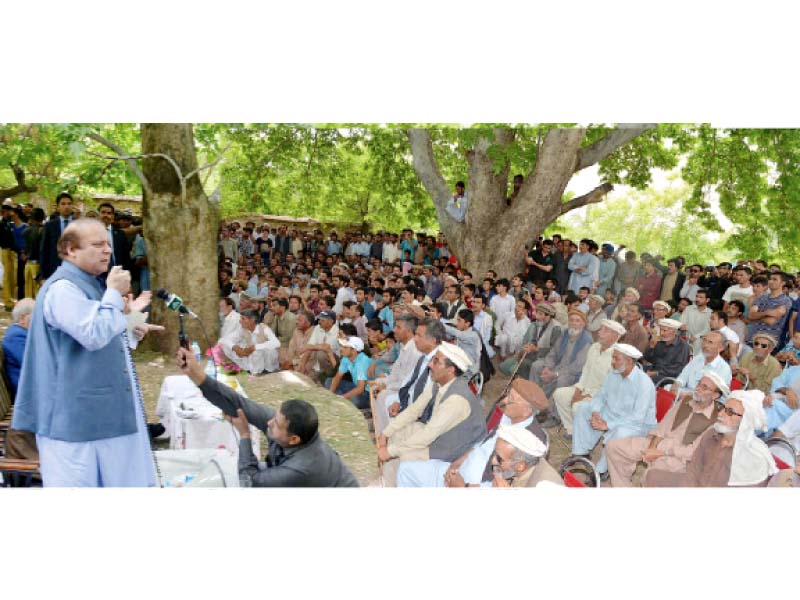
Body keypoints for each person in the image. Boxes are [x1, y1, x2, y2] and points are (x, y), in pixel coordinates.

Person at [11, 219, 160, 487]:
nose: (107, 250)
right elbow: (92, 334)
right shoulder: (62, 289)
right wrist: (114, 293)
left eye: (107, 243)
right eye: (97, 244)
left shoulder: (90, 284)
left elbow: (102, 332)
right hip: (74, 423)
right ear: (70, 250)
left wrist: (131, 324)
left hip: (100, 416)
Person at [175, 347, 359, 487]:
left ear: (294, 439)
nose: (268, 423)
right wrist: (196, 374)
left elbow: (250, 482)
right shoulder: (282, 422)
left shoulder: (302, 467)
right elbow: (239, 404)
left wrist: (245, 436)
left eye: (277, 424)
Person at [396, 378, 547, 487]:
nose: (505, 400)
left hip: (473, 485)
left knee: (407, 470)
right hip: (459, 471)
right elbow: (480, 445)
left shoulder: (533, 440)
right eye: (508, 395)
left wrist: (463, 486)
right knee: (406, 468)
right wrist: (455, 464)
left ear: (527, 409)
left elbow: (506, 482)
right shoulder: (508, 415)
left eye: (511, 399)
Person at [377, 341, 486, 486]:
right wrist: (385, 433)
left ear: (450, 370)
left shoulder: (457, 400)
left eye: (436, 362)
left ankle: (391, 484)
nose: (430, 365)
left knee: (404, 456)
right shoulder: (439, 381)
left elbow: (428, 434)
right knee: (398, 433)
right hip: (438, 436)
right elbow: (415, 409)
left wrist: (389, 452)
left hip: (454, 450)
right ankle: (389, 480)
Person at [605, 371, 728, 487]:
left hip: (679, 458)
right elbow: (662, 427)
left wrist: (662, 453)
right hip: (660, 443)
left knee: (652, 475)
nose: (698, 388)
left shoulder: (715, 420)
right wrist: (651, 448)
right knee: (614, 447)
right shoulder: (686, 400)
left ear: (715, 395)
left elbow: (692, 452)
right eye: (699, 384)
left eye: (705, 387)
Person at [645, 390, 777, 487]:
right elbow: (694, 469)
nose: (720, 414)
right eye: (723, 408)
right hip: (695, 485)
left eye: (729, 412)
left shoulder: (755, 457)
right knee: (653, 476)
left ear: (746, 421)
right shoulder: (711, 433)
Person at [571, 343, 657, 476]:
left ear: (628, 361)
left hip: (636, 424)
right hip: (611, 414)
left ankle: (601, 471)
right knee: (584, 408)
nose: (612, 362)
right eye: (613, 358)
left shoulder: (644, 383)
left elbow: (638, 417)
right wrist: (595, 412)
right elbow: (601, 395)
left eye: (616, 359)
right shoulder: (614, 374)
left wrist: (608, 425)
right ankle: (581, 453)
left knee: (620, 432)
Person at [551, 319, 625, 436]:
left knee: (577, 407)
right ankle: (572, 429)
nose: (600, 332)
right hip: (585, 388)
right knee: (559, 394)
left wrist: (584, 396)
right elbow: (586, 371)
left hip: (601, 396)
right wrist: (578, 390)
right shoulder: (595, 347)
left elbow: (610, 387)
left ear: (615, 336)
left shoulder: (618, 356)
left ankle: (584, 434)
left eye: (605, 331)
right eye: (601, 329)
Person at [484, 426, 563, 487]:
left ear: (520, 466)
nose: (493, 460)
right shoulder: (518, 467)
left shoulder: (544, 487)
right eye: (494, 453)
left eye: (499, 459)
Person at [220, 308, 281, 375]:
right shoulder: (243, 329)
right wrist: (235, 348)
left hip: (266, 358)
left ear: (252, 320)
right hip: (251, 356)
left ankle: (264, 372)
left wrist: (255, 347)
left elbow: (277, 343)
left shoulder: (263, 328)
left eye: (243, 319)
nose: (240, 321)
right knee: (225, 345)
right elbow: (226, 339)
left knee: (262, 351)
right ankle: (249, 369)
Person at [326, 336, 373, 409]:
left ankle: (340, 400)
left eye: (345, 347)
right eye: (342, 346)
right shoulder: (346, 358)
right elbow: (338, 377)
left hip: (368, 393)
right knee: (329, 381)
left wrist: (342, 397)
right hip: (356, 386)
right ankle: (339, 400)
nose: (341, 349)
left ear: (354, 350)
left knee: (355, 400)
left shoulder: (363, 361)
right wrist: (330, 394)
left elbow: (361, 389)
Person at [2, 297, 35, 397]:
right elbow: (31, 363)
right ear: (22, 319)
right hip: (28, 392)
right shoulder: (16, 336)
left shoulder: (20, 333)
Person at [642, 318, 690, 384]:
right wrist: (651, 346)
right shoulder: (659, 342)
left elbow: (677, 369)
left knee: (647, 380)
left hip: (669, 375)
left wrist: (656, 373)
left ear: (674, 331)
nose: (662, 333)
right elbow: (649, 359)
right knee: (634, 371)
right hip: (655, 369)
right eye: (661, 330)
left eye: (665, 330)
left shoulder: (682, 346)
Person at [21, 208, 44, 299]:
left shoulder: (26, 230)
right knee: (37, 292)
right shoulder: (43, 231)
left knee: (28, 292)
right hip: (38, 265)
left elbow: (24, 248)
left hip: (28, 264)